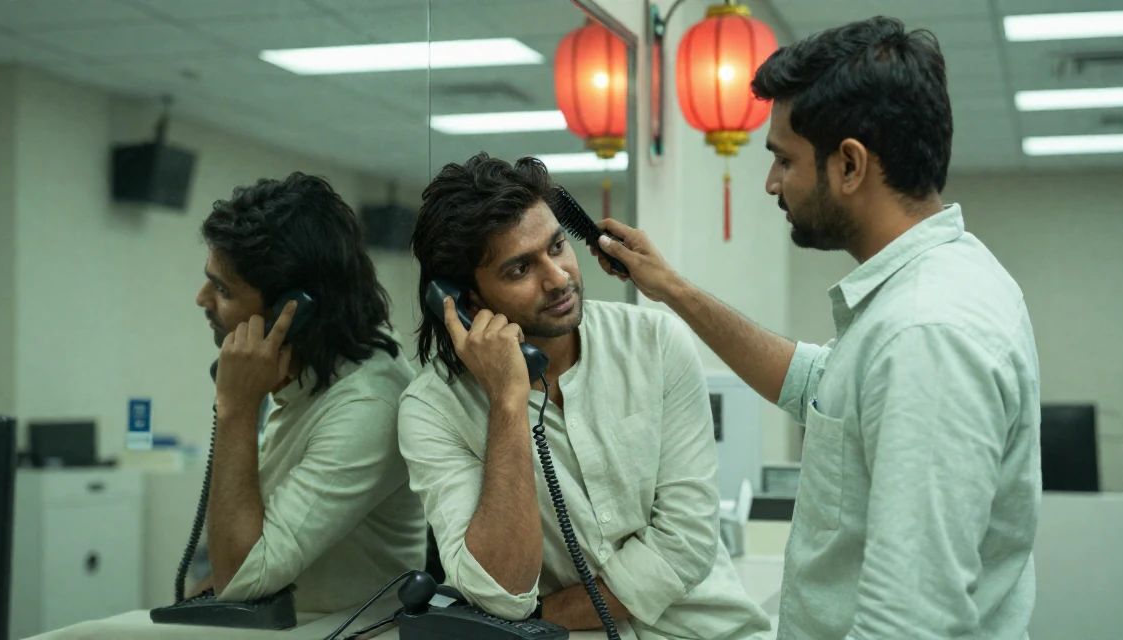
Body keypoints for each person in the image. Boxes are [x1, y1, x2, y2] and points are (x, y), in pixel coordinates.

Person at [588, 16, 1041, 640]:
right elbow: (815, 386)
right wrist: (671, 288)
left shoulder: (927, 335)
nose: (772, 183)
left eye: (783, 160)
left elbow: (910, 622)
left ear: (850, 165)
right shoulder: (922, 292)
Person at [397, 153, 771, 640]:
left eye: (557, 247)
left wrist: (542, 616)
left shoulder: (655, 344)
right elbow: (500, 592)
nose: (556, 277)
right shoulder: (432, 409)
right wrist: (508, 401)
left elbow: (686, 544)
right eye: (519, 270)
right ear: (467, 302)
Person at [194, 172, 425, 612]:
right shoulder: (304, 372)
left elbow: (243, 577)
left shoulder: (368, 404)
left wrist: (236, 409)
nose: (202, 298)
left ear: (291, 311)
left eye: (223, 288)